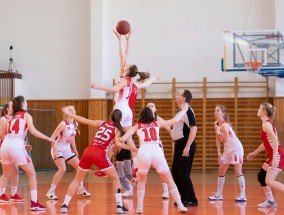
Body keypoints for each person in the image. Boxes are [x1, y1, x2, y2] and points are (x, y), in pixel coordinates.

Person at [91, 62, 158, 192]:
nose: (123, 67)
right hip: (128, 110)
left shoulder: (124, 80)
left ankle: (105, 167)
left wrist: (97, 87)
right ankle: (136, 163)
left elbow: (115, 90)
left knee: (113, 137)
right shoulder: (133, 84)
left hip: (120, 109)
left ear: (127, 71)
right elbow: (145, 84)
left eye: (125, 67)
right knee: (128, 138)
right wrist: (154, 77)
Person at [60, 108, 137, 214]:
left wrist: (70, 115)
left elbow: (84, 120)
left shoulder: (102, 123)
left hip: (88, 151)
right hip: (99, 154)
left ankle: (64, 205)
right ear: (121, 119)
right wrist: (134, 149)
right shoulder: (117, 129)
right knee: (115, 178)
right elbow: (119, 144)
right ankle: (119, 206)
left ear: (110, 117)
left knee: (77, 180)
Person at [120, 105, 189, 214]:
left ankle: (139, 207)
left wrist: (116, 141)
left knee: (142, 181)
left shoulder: (137, 126)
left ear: (141, 116)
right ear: (152, 116)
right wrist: (184, 110)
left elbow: (122, 139)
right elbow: (175, 120)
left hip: (143, 152)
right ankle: (180, 205)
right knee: (169, 180)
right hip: (156, 151)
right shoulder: (156, 123)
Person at [0, 95, 55, 211]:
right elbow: (34, 131)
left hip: (4, 147)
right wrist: (48, 138)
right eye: (26, 101)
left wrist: (13, 143)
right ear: (22, 104)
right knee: (32, 174)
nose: (27, 103)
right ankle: (35, 203)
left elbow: (1, 134)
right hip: (16, 147)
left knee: (5, 175)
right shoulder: (26, 115)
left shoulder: (10, 117)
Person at [46, 105, 91, 200]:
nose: (73, 111)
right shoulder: (63, 124)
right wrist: (54, 150)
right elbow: (52, 138)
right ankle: (51, 191)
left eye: (74, 109)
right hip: (57, 148)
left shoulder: (75, 124)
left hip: (67, 149)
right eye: (70, 110)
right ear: (66, 113)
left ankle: (80, 188)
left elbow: (72, 137)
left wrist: (74, 149)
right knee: (62, 169)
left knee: (80, 167)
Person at [247, 102, 284, 208]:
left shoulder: (266, 124)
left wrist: (275, 158)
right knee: (261, 176)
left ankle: (271, 200)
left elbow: (275, 140)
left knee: (269, 181)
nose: (257, 110)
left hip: (277, 154)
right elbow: (266, 143)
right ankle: (271, 201)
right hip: (274, 154)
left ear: (264, 112)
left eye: (259, 109)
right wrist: (255, 153)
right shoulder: (267, 124)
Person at [208, 105, 246, 202]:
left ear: (223, 113)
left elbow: (229, 142)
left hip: (235, 149)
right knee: (221, 171)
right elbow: (218, 138)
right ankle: (219, 194)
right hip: (227, 148)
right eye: (215, 110)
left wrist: (224, 156)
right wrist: (219, 152)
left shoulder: (225, 125)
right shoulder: (216, 124)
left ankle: (243, 195)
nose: (215, 112)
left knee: (238, 171)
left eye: (218, 110)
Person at [171, 89, 198, 207]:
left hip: (185, 144)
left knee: (183, 173)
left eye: (179, 95)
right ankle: (184, 198)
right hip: (179, 144)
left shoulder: (187, 111)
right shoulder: (180, 111)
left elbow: (194, 128)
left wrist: (187, 146)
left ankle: (192, 199)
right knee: (176, 172)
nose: (176, 96)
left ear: (184, 98)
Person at [0, 101, 25, 202]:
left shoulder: (14, 118)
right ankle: (1, 193)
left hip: (13, 146)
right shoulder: (4, 119)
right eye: (12, 106)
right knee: (8, 172)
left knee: (15, 171)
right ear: (7, 109)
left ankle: (14, 194)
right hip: (5, 146)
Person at [146, 102, 170, 199]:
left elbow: (169, 129)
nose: (150, 107)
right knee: (138, 168)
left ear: (155, 109)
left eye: (152, 106)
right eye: (148, 106)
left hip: (156, 145)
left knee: (162, 169)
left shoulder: (158, 119)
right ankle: (130, 189)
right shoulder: (142, 120)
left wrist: (175, 140)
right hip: (146, 146)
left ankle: (166, 191)